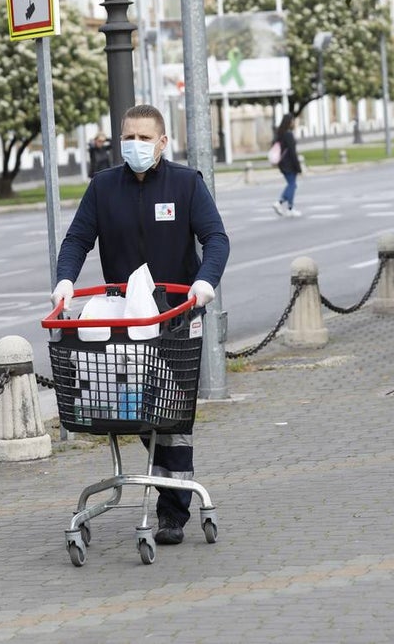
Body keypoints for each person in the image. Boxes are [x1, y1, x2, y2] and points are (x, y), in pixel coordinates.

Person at [51, 104, 230, 546]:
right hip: (124, 321)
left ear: (163, 142)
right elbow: (77, 239)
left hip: (174, 317)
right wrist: (64, 282)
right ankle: (167, 485)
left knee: (171, 415)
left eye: (145, 137)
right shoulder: (103, 188)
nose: (135, 144)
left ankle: (172, 512)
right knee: (132, 410)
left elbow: (216, 238)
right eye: (128, 136)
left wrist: (204, 283)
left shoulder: (186, 184)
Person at [271, 113, 302, 217]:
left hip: (282, 163)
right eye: (293, 120)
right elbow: (292, 152)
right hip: (289, 164)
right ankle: (279, 202)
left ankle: (290, 208)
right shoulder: (288, 134)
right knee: (292, 185)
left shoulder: (280, 133)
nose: (294, 123)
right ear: (289, 122)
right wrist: (298, 167)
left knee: (292, 185)